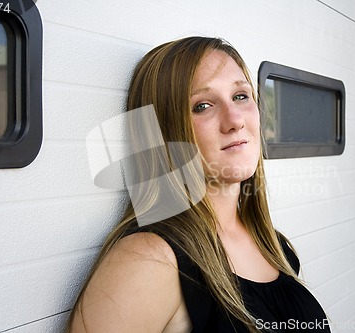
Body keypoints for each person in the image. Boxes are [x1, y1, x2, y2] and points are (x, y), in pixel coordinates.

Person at [68, 36, 330, 332]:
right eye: (203, 105)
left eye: (241, 96)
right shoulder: (150, 259)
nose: (234, 120)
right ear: (165, 131)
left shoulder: (275, 246)